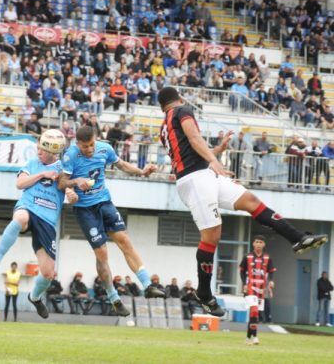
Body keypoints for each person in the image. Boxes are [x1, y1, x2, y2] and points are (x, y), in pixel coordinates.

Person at [157, 86, 328, 317]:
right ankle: (204, 293)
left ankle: (298, 238)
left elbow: (188, 151)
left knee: (251, 201)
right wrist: (214, 160)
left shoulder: (164, 125)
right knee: (212, 235)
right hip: (196, 179)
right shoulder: (182, 111)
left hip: (201, 175)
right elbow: (194, 138)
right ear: (178, 98)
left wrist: (216, 151)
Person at [57, 126, 165, 318]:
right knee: (102, 253)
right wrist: (76, 183)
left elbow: (122, 165)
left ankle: (148, 285)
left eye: (91, 145)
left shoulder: (105, 149)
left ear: (96, 139)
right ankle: (113, 297)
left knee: (124, 240)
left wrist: (141, 172)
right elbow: (61, 182)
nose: (89, 150)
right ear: (77, 143)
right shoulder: (70, 155)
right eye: (84, 146)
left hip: (105, 202)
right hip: (85, 209)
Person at [0, 131, 78, 318]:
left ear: (51, 150)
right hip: (29, 206)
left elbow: (70, 192)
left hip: (48, 220)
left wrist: (72, 195)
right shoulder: (32, 164)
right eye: (38, 147)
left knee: (48, 273)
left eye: (41, 148)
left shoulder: (63, 168)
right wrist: (42, 174)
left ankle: (35, 297)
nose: (38, 151)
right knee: (20, 218)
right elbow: (20, 184)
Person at [239, 235, 275, 345]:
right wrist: (244, 283)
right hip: (250, 288)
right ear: (253, 244)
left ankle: (248, 337)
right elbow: (241, 270)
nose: (258, 244)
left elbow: (271, 271)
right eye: (257, 242)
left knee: (254, 315)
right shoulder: (247, 257)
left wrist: (271, 282)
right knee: (254, 311)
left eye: (261, 242)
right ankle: (255, 337)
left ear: (264, 244)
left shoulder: (268, 258)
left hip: (261, 290)